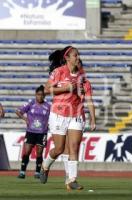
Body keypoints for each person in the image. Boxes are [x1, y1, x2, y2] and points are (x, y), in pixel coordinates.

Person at [40, 46, 85, 190]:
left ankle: (72, 179)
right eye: (75, 55)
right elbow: (46, 90)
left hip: (75, 113)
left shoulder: (80, 74)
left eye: (78, 55)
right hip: (59, 114)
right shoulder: (58, 72)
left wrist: (80, 91)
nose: (77, 57)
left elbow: (81, 92)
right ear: (67, 58)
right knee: (59, 149)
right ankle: (45, 165)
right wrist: (67, 88)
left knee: (74, 146)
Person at [61, 59, 96, 185]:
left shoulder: (86, 83)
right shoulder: (64, 78)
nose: (78, 68)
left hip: (77, 116)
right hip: (62, 115)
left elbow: (89, 101)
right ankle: (67, 174)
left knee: (74, 146)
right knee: (63, 147)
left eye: (80, 66)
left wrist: (93, 119)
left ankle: (73, 178)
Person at [16, 85, 50, 179]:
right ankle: (22, 171)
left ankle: (37, 172)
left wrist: (48, 124)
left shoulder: (48, 106)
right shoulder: (30, 103)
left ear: (44, 96)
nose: (40, 96)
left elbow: (52, 117)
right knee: (27, 151)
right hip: (30, 131)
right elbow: (18, 111)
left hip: (42, 132)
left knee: (39, 153)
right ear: (35, 95)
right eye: (38, 94)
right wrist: (25, 119)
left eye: (42, 95)